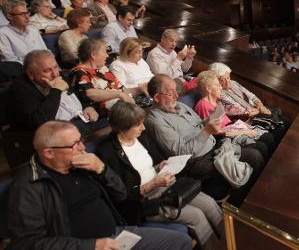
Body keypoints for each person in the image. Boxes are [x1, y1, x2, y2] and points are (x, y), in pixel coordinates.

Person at [5, 120, 193, 250]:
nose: (82, 148)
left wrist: (102, 169)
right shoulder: (29, 186)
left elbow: (121, 194)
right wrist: (90, 246)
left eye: (82, 140)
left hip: (117, 234)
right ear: (48, 153)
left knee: (180, 242)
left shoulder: (82, 165)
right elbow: (28, 244)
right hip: (84, 247)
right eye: (74, 145)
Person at [96, 102, 223, 249]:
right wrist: (153, 184)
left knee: (210, 204)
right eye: (138, 125)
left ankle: (231, 241)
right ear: (122, 128)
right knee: (197, 216)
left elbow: (152, 163)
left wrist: (159, 166)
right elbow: (121, 194)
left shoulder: (141, 138)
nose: (143, 128)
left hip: (165, 186)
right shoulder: (107, 152)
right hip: (146, 201)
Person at [144, 74, 266, 205]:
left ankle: (253, 198)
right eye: (170, 93)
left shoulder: (180, 105)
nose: (176, 95)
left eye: (176, 90)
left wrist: (212, 119)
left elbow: (200, 124)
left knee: (260, 149)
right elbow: (181, 151)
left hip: (214, 146)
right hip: (195, 161)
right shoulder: (154, 121)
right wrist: (207, 130)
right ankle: (239, 206)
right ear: (157, 97)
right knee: (255, 157)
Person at [195, 70, 275, 160]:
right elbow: (216, 133)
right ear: (208, 89)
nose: (221, 88)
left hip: (234, 127)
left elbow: (229, 119)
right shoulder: (203, 105)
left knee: (267, 136)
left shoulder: (215, 101)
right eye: (217, 85)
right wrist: (245, 131)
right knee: (263, 144)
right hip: (227, 138)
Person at [208, 62, 288, 142]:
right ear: (215, 81)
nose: (228, 81)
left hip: (255, 110)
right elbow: (241, 111)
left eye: (228, 77)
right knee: (276, 128)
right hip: (247, 120)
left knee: (283, 118)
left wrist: (260, 105)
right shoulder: (219, 94)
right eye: (222, 80)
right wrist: (261, 110)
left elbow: (251, 95)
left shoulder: (234, 83)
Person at [68, 38, 140, 115]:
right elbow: (90, 93)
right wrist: (118, 94)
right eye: (105, 52)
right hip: (104, 114)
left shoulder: (103, 69)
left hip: (120, 108)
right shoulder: (79, 72)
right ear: (93, 55)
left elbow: (121, 90)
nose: (107, 55)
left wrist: (139, 89)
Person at [0, 0, 46, 64]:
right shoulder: (3, 34)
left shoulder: (33, 30)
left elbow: (46, 52)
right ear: (10, 16)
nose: (27, 17)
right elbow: (10, 61)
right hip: (22, 71)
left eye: (27, 13)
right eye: (22, 14)